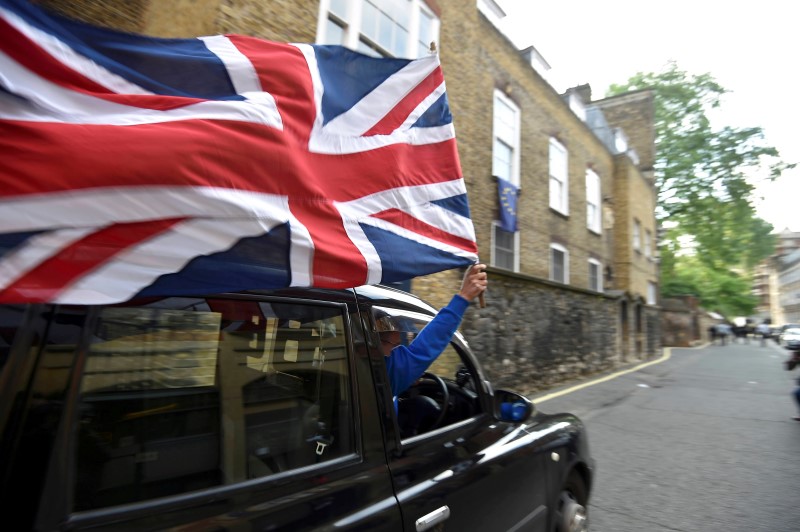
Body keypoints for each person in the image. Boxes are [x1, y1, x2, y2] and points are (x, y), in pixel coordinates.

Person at [378, 263, 488, 400]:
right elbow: (424, 348)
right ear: (368, 345)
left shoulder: (355, 372)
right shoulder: (383, 372)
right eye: (393, 346)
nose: (398, 351)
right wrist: (464, 297)